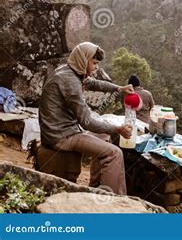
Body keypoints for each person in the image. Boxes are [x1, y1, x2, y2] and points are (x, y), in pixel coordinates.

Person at [39, 42, 134, 195]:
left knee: (104, 134)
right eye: (94, 63)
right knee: (115, 153)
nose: (97, 67)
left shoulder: (69, 70)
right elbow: (86, 121)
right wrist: (117, 129)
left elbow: (94, 83)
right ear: (84, 60)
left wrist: (119, 88)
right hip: (61, 136)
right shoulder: (69, 82)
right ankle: (113, 200)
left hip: (62, 129)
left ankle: (96, 186)